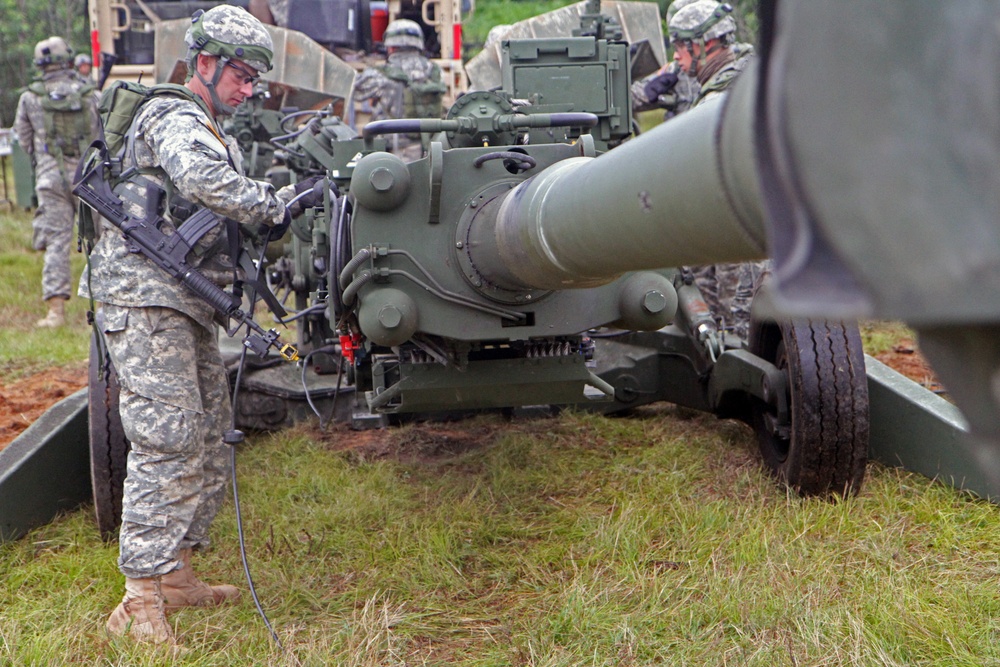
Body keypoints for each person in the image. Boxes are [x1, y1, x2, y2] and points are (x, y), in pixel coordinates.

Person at [79, 5, 320, 644]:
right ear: (205, 64)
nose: (249, 90)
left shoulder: (209, 122)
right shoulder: (174, 115)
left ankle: (179, 572)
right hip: (147, 299)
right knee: (168, 436)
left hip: (186, 301)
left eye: (255, 80)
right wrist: (273, 204)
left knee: (209, 430)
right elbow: (201, 178)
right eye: (242, 75)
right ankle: (139, 600)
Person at [668, 0, 764, 342]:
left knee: (741, 330)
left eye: (680, 46)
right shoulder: (728, 79)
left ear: (704, 44)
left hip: (746, 232)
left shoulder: (733, 88)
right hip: (723, 223)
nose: (676, 57)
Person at [14, 36, 100, 328]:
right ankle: (106, 305)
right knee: (102, 243)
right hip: (90, 179)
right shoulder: (90, 94)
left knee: (56, 243)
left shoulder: (30, 97)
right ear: (68, 60)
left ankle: (56, 313)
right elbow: (104, 135)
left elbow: (23, 141)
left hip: (51, 180)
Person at [352, 18, 446, 161]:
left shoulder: (382, 74)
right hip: (431, 149)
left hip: (396, 152)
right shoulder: (434, 70)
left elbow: (354, 91)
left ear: (390, 46)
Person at [630, 0, 700, 119]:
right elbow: (632, 99)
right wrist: (650, 90)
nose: (676, 55)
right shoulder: (676, 71)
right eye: (678, 45)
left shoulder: (735, 64)